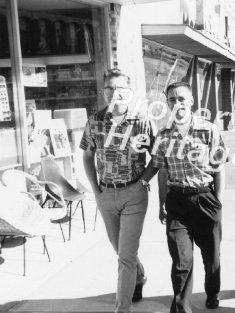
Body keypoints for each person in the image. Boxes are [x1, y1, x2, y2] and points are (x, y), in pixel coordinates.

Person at [140, 81, 226, 313]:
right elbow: (156, 168)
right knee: (181, 261)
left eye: (181, 99)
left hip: (205, 198)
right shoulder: (164, 135)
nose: (176, 103)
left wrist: (217, 201)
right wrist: (144, 188)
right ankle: (181, 308)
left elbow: (219, 168)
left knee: (211, 257)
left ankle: (212, 291)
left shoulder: (209, 130)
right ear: (167, 103)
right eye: (171, 99)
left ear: (191, 101)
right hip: (177, 202)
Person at [80, 68, 155, 313]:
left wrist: (142, 183)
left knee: (125, 256)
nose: (115, 93)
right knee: (120, 249)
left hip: (134, 195)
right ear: (103, 92)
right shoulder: (94, 122)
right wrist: (96, 190)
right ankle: (139, 275)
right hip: (105, 194)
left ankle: (122, 309)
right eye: (110, 88)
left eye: (120, 88)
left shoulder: (142, 122)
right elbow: (87, 157)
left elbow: (157, 158)